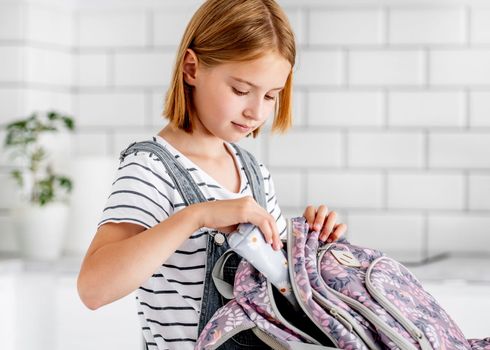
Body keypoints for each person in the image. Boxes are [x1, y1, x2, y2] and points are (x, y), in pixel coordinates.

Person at [77, 0, 347, 349]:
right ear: (191, 69)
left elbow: (282, 296)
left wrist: (313, 245)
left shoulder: (254, 172)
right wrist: (198, 215)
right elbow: (93, 289)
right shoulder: (151, 166)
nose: (256, 111)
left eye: (271, 96)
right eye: (240, 90)